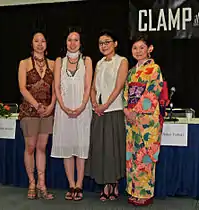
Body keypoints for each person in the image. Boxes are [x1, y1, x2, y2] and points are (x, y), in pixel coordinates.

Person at [85, 30, 128, 201]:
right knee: (101, 149)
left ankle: (114, 182)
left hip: (114, 110)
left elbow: (118, 87)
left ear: (115, 43)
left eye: (107, 42)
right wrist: (95, 103)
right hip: (99, 112)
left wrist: (105, 105)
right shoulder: (100, 63)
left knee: (113, 149)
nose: (104, 46)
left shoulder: (122, 61)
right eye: (101, 43)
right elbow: (94, 86)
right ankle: (104, 184)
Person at [51, 29, 93, 201]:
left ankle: (79, 185)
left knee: (81, 147)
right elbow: (56, 87)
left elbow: (88, 86)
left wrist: (82, 105)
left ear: (81, 42)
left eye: (76, 40)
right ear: (65, 42)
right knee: (68, 147)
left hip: (83, 110)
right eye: (70, 40)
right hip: (64, 110)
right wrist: (63, 106)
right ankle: (71, 184)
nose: (73, 43)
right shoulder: (59, 61)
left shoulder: (87, 60)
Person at [123, 34, 163, 206]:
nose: (138, 51)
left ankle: (145, 193)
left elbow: (152, 93)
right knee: (132, 156)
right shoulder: (131, 72)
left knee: (145, 155)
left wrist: (135, 111)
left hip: (147, 120)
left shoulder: (154, 69)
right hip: (131, 120)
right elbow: (125, 93)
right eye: (135, 48)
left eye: (142, 47)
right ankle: (133, 190)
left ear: (149, 49)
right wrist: (126, 109)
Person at [18, 31, 56, 200]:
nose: (40, 44)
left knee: (42, 148)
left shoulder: (54, 64)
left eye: (43, 41)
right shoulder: (24, 63)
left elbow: (56, 89)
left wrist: (51, 106)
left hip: (47, 112)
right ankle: (31, 182)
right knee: (31, 147)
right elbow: (22, 88)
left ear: (46, 44)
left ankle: (42, 184)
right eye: (36, 41)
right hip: (29, 111)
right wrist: (36, 105)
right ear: (32, 43)